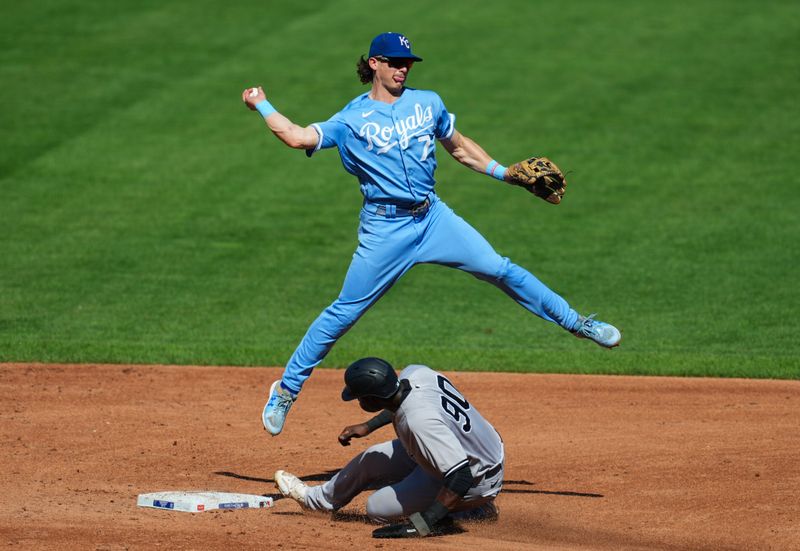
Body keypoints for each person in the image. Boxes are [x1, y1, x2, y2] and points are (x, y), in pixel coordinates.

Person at [242, 32, 621, 436]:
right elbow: (296, 136)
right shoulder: (350, 120)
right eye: (394, 61)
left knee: (500, 268)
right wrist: (261, 103)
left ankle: (577, 323)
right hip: (385, 230)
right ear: (374, 64)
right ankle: (285, 390)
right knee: (344, 313)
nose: (403, 68)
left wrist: (503, 172)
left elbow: (458, 146)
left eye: (407, 62)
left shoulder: (428, 103)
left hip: (433, 218)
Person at [273, 357, 504, 539]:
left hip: (476, 478)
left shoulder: (418, 422)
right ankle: (317, 502)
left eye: (360, 398)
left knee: (377, 509)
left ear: (372, 399)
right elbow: (401, 401)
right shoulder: (416, 373)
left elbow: (460, 476)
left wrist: (424, 524)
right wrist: (368, 425)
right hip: (469, 448)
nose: (358, 401)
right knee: (372, 458)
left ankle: (472, 511)